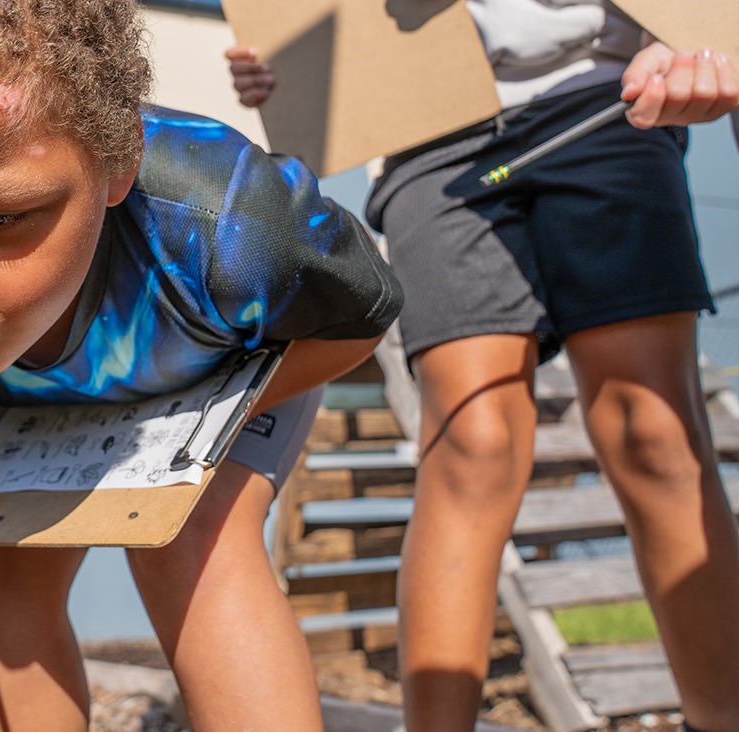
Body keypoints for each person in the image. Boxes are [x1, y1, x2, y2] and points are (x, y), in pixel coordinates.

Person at [0, 1, 405, 729]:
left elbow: (358, 318)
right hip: (35, 406)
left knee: (197, 541)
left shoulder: (234, 229)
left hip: (221, 368)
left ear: (117, 163)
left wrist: (187, 427)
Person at [228, 8, 739, 731]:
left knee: (652, 428)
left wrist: (700, 42)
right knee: (473, 443)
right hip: (430, 127)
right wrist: (290, 71)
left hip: (606, 100)